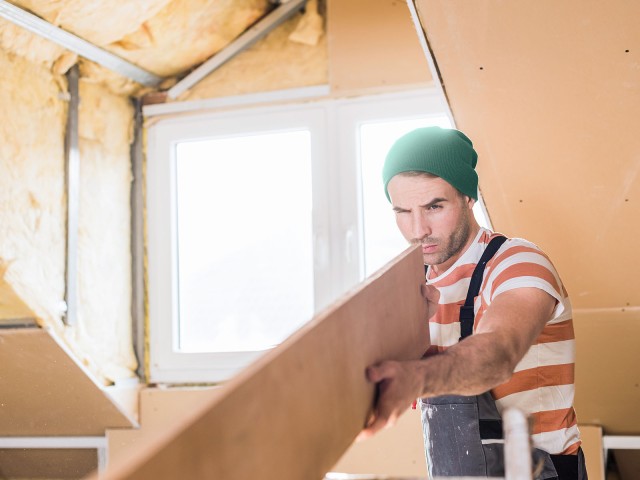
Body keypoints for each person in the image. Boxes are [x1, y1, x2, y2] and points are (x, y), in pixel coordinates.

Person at [358, 127, 587, 479]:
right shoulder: (414, 287)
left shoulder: (517, 262)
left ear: (468, 197)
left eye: (434, 206)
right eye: (403, 211)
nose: (418, 229)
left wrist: (416, 377)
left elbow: (498, 353)